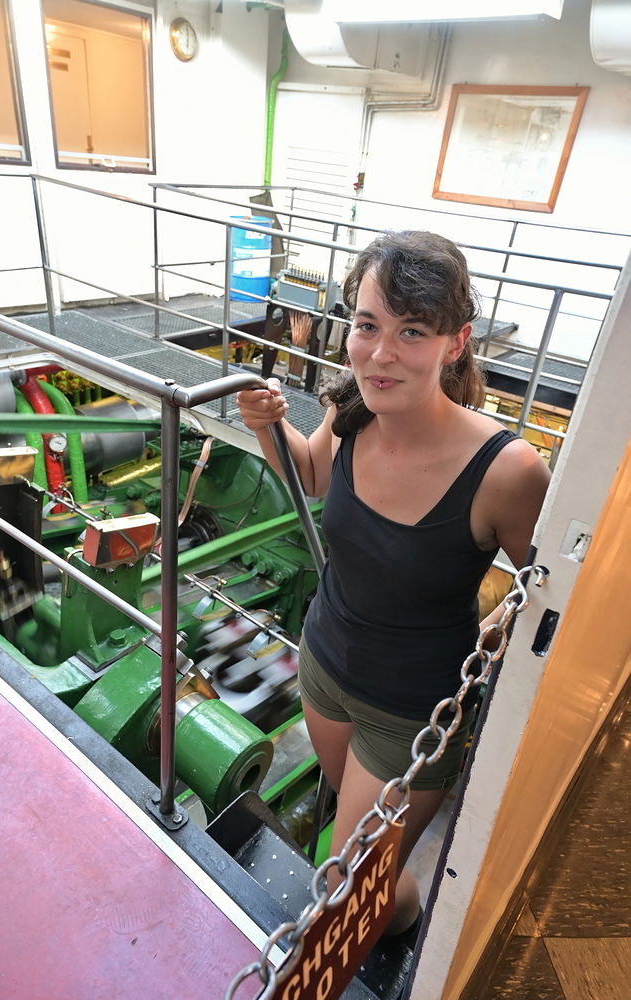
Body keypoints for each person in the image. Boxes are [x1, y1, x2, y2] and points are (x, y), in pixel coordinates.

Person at [236, 230, 550, 942]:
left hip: (411, 712)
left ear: (455, 343)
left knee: (350, 890)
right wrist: (266, 427)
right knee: (360, 860)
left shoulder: (508, 471)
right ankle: (391, 903)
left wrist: (498, 632)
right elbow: (311, 474)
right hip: (324, 669)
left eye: (411, 331)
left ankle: (398, 920)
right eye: (367, 325)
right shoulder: (354, 414)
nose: (379, 354)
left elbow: (546, 597)